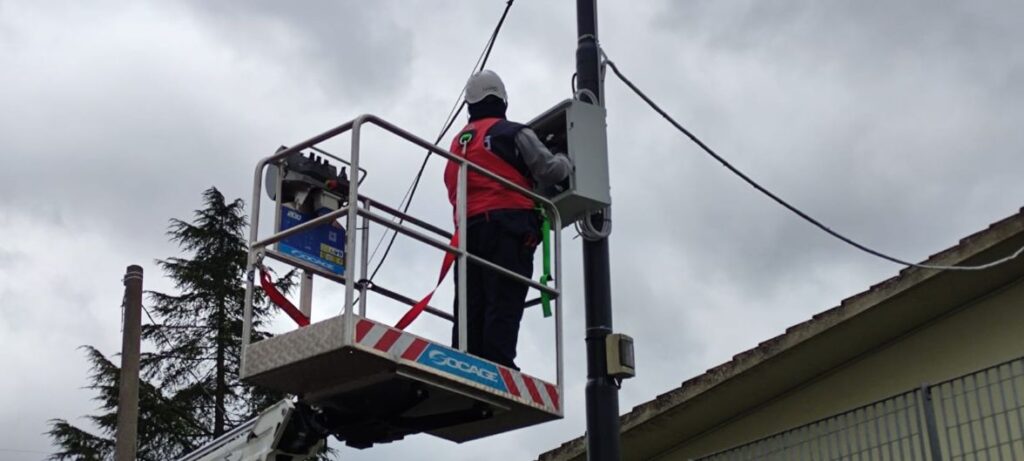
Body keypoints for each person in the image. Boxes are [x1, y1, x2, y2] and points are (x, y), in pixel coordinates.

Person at [443, 70, 572, 370]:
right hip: (508, 228)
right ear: (502, 100)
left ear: (469, 104)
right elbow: (550, 170)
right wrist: (565, 159)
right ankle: (498, 365)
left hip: (468, 233)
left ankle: (463, 362)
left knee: (470, 304)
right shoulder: (512, 133)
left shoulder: (457, 145)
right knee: (503, 298)